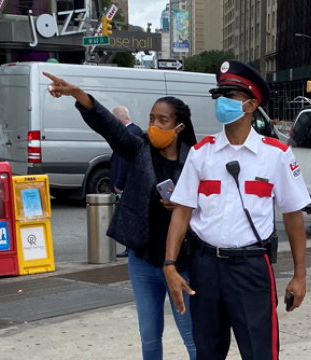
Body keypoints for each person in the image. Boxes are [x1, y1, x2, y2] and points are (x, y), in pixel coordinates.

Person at [43, 72, 198, 360]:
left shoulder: (196, 159)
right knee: (149, 336)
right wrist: (78, 94)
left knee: (193, 336)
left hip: (182, 262)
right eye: (151, 118)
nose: (154, 125)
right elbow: (110, 127)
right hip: (142, 261)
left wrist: (185, 206)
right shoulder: (139, 148)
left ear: (179, 126)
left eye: (162, 120)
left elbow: (211, 207)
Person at [163, 60, 311, 360]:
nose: (222, 102)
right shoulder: (201, 153)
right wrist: (170, 264)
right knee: (207, 352)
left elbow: (294, 217)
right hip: (205, 268)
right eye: (219, 95)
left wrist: (300, 275)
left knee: (260, 353)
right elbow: (181, 212)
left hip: (251, 269)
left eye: (230, 95)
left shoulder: (276, 155)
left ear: (251, 105)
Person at [109, 106, 144, 259]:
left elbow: (124, 160)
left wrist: (119, 183)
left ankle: (131, 248)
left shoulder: (129, 133)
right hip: (129, 181)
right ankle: (130, 247)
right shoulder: (135, 130)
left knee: (129, 216)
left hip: (127, 183)